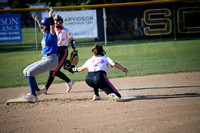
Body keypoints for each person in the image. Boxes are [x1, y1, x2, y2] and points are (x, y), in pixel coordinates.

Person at [23, 8, 58, 102]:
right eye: (41, 26)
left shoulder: (52, 34)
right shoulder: (45, 34)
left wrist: (50, 15)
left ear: (47, 26)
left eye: (43, 26)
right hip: (45, 58)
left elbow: (51, 26)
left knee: (30, 73)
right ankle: (37, 90)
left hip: (52, 59)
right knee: (25, 71)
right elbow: (41, 26)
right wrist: (37, 20)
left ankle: (34, 95)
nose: (41, 27)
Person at [40, 15, 76, 94]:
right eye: (56, 22)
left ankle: (46, 88)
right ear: (54, 23)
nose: (58, 23)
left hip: (63, 51)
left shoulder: (66, 31)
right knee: (53, 70)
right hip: (55, 51)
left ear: (62, 23)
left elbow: (72, 40)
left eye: (60, 22)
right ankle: (69, 81)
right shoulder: (52, 31)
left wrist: (74, 49)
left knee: (53, 71)